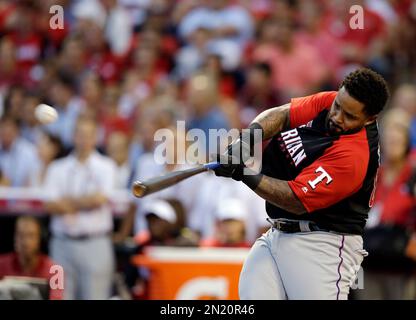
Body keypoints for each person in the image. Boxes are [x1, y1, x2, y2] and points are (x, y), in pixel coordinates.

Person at [214, 68, 390, 300]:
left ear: (370, 119)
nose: (337, 116)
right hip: (278, 231)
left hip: (322, 246)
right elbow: (284, 114)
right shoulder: (332, 102)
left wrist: (244, 174)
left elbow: (294, 200)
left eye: (349, 116)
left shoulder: (354, 156)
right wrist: (247, 139)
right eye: (337, 106)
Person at [44, 117, 116, 300]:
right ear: (73, 136)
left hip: (95, 243)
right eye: (80, 134)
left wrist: (67, 202)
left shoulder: (106, 167)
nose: (84, 139)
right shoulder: (57, 168)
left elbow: (99, 200)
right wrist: (85, 202)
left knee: (96, 296)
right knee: (60, 295)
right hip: (62, 243)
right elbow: (50, 204)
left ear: (96, 138)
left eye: (89, 135)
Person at [0, 216, 62, 299]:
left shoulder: (54, 270)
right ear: (15, 238)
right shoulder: (2, 264)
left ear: (39, 239)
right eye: (21, 235)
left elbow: (57, 298)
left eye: (31, 235)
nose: (25, 242)